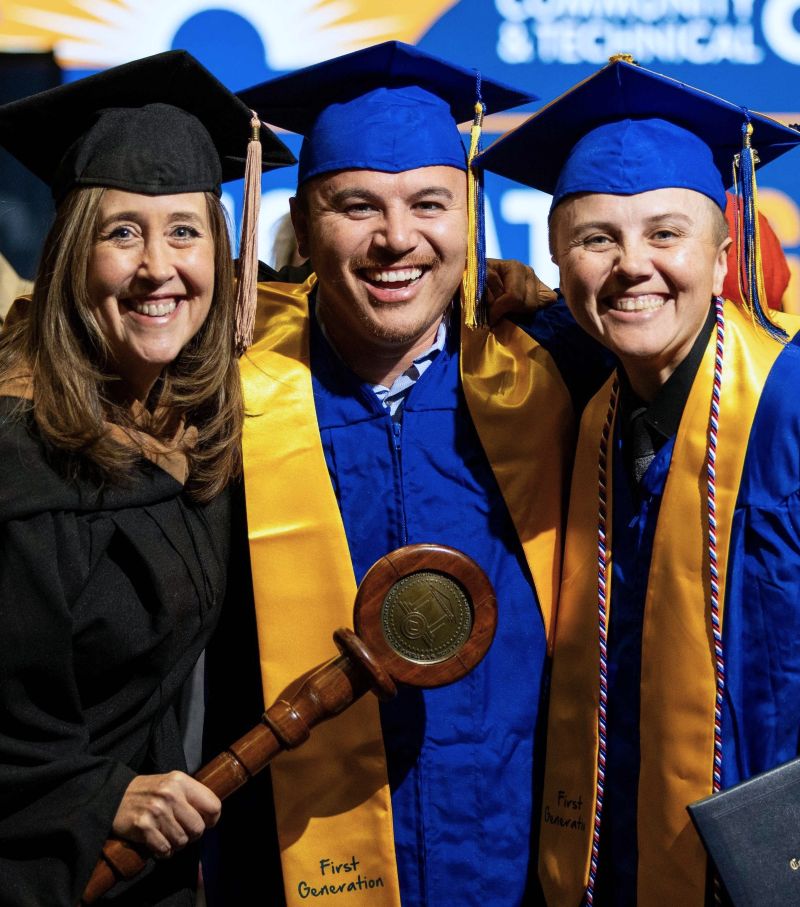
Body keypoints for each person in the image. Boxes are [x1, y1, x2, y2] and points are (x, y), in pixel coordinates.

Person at [202, 40, 601, 907]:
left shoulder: (557, 373)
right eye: (357, 206)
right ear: (305, 226)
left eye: (430, 202)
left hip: (517, 865)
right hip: (293, 865)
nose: (397, 239)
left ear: (470, 218)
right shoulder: (220, 401)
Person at [476, 56, 800, 905]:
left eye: (665, 234)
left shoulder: (791, 405)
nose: (631, 265)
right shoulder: (592, 415)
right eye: (595, 239)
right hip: (618, 859)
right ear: (554, 258)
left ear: (725, 249)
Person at [0, 50, 294, 905]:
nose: (158, 266)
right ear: (68, 255)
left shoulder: (184, 421)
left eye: (185, 231)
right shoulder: (19, 462)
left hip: (153, 874)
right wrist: (98, 791)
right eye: (122, 231)